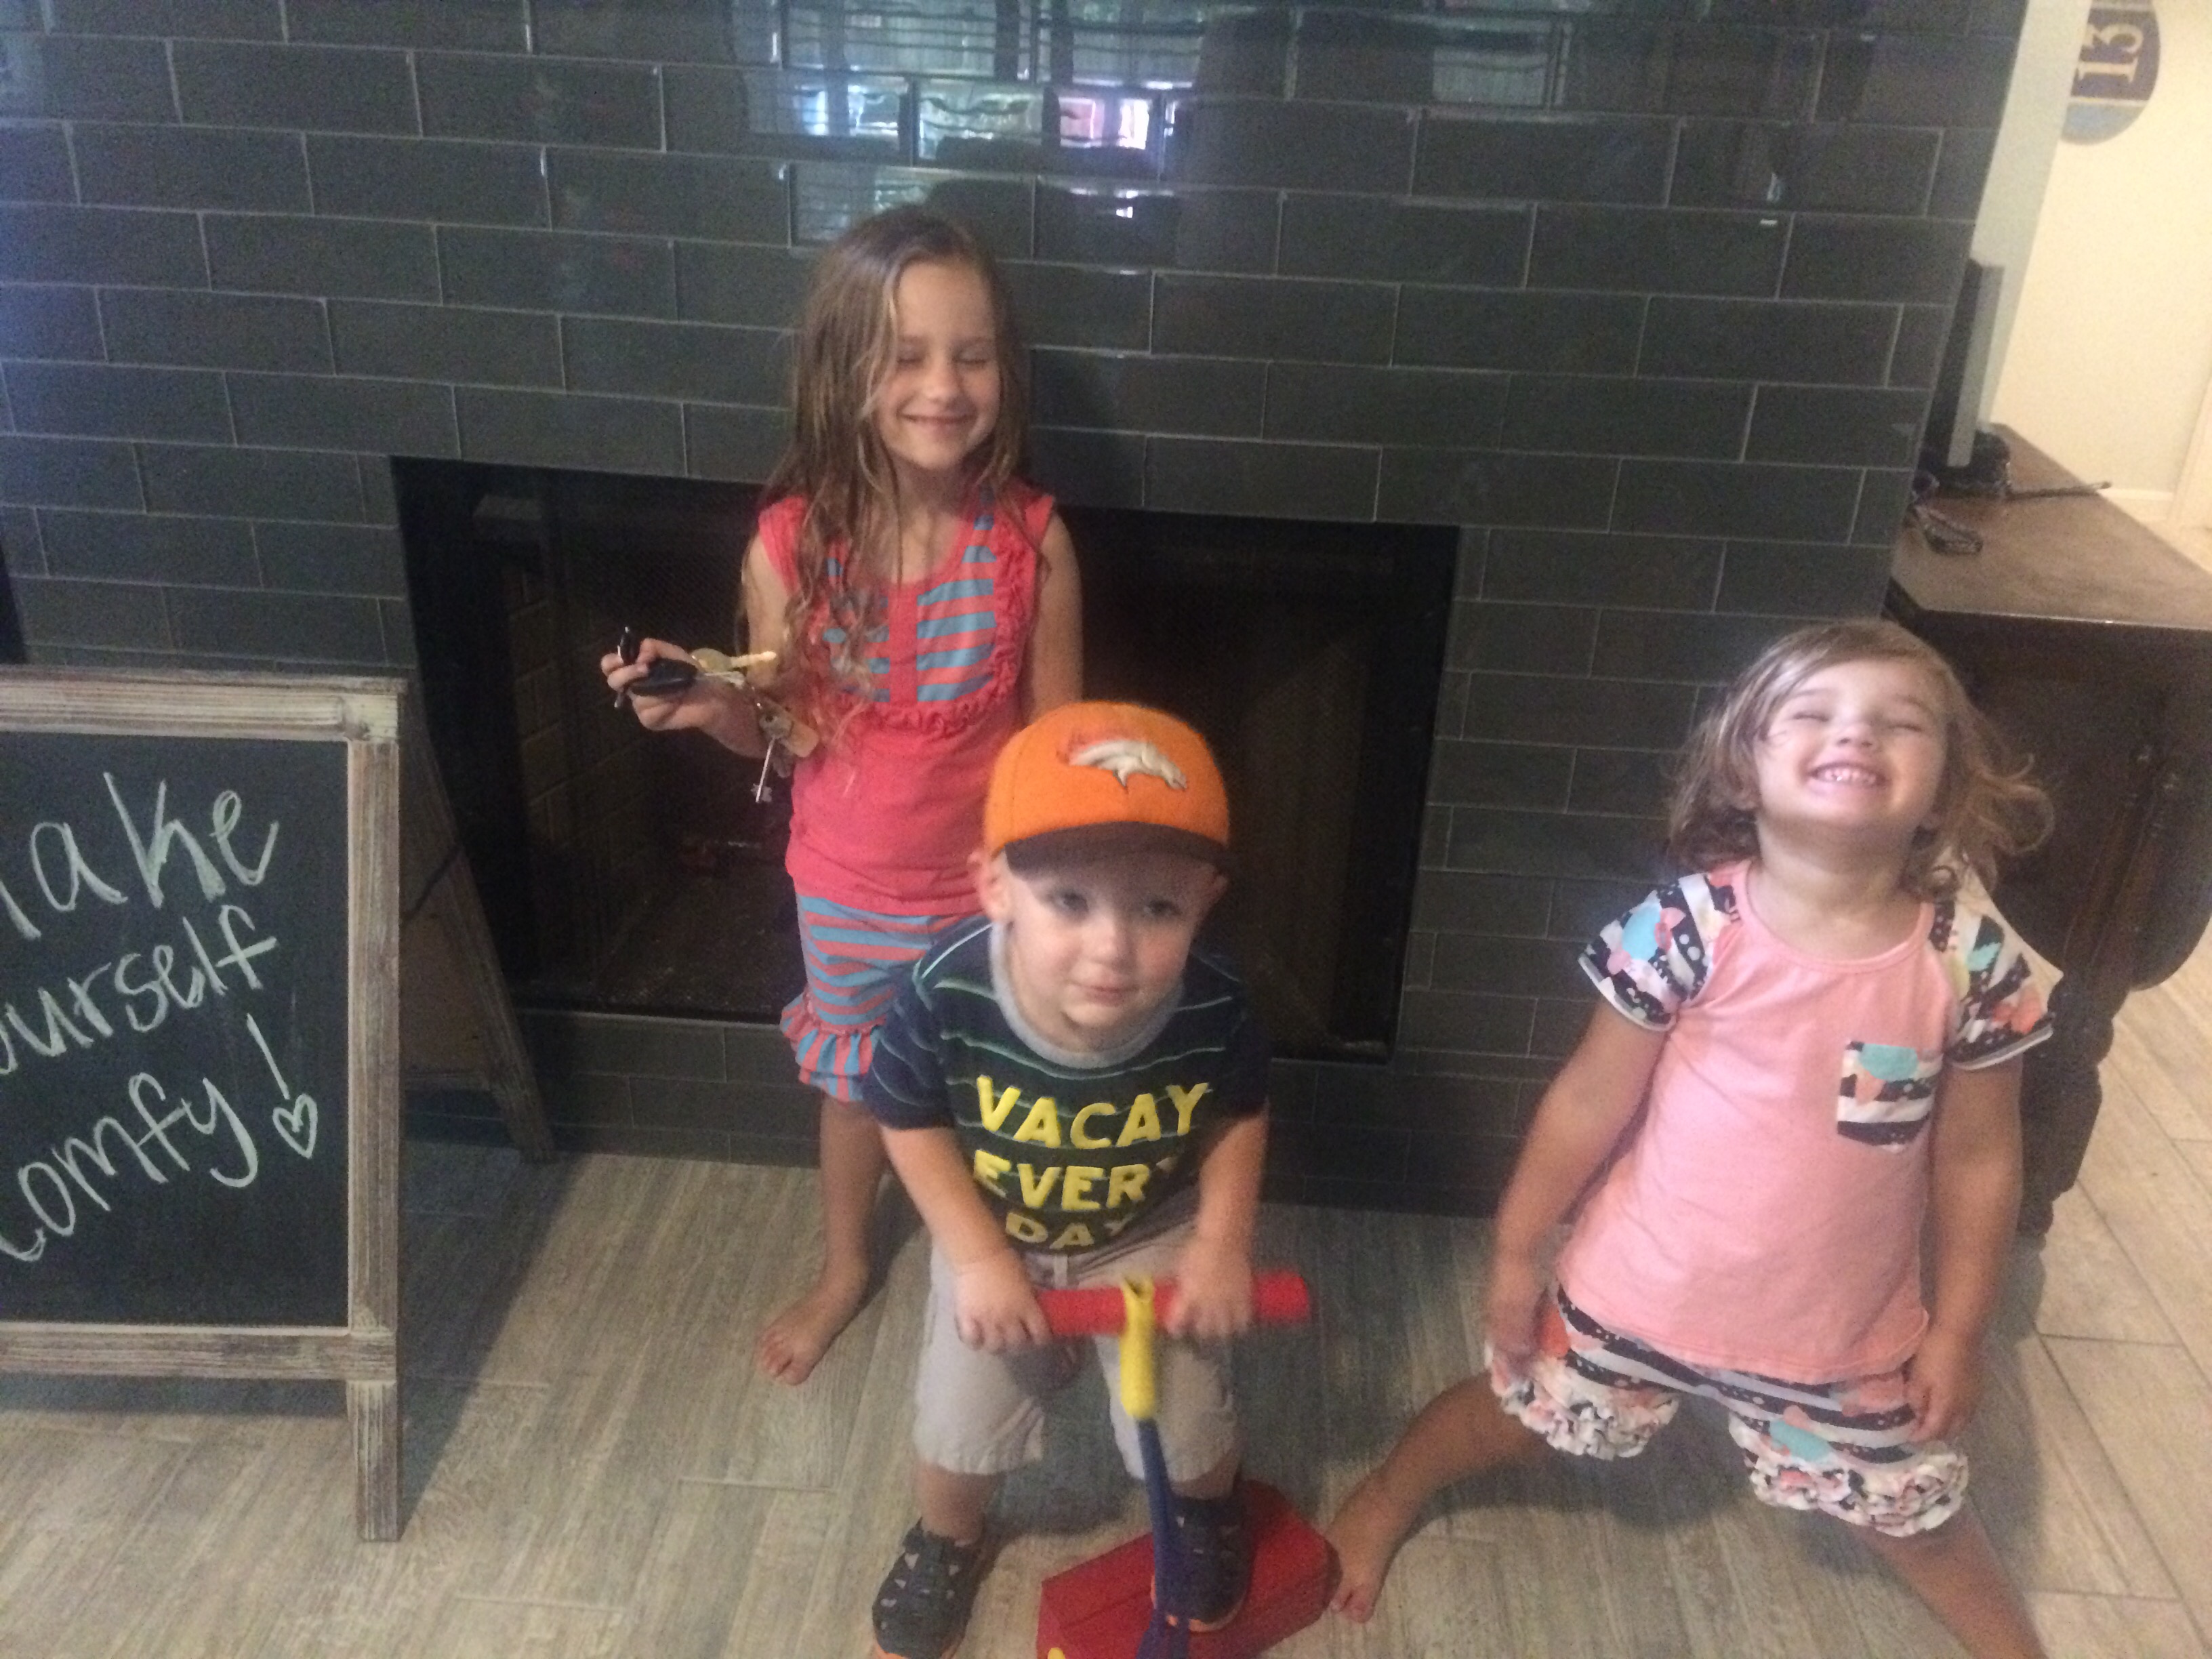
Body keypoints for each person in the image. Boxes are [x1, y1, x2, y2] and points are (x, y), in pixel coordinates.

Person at [1327, 619, 2057, 1659]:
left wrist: (1961, 1330)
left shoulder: (1972, 965)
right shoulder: (1686, 927)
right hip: (1638, 1291)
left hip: (1843, 1336)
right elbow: (1588, 1100)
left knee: (1916, 1520)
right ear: (1744, 770)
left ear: (1944, 788)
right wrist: (1516, 1252)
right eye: (1812, 713)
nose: (1856, 733)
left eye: (1901, 723)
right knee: (1512, 1419)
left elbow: (1981, 1162)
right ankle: (1389, 1490)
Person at [602, 207, 1082, 1385]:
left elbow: (1060, 748)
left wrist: (1055, 898)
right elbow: (789, 732)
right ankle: (846, 1266)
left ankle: (1013, 1255)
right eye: (906, 356)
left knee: (1009, 1085)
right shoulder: (789, 548)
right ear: (843, 370)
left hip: (991, 897)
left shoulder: (1034, 543)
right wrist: (712, 705)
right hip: (849, 892)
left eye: (972, 355)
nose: (944, 386)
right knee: (860, 1091)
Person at [859, 701, 1271, 1659]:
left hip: (1147, 1231)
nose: (1112, 948)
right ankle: (949, 1537)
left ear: (1205, 900)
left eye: (1158, 908)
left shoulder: (1215, 1004)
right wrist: (978, 1259)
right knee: (957, 1429)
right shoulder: (945, 991)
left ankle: (1207, 1512)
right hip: (996, 1232)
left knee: (1185, 1427)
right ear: (995, 886)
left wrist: (1222, 1243)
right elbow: (907, 1119)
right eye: (1070, 902)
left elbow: (1237, 1113)